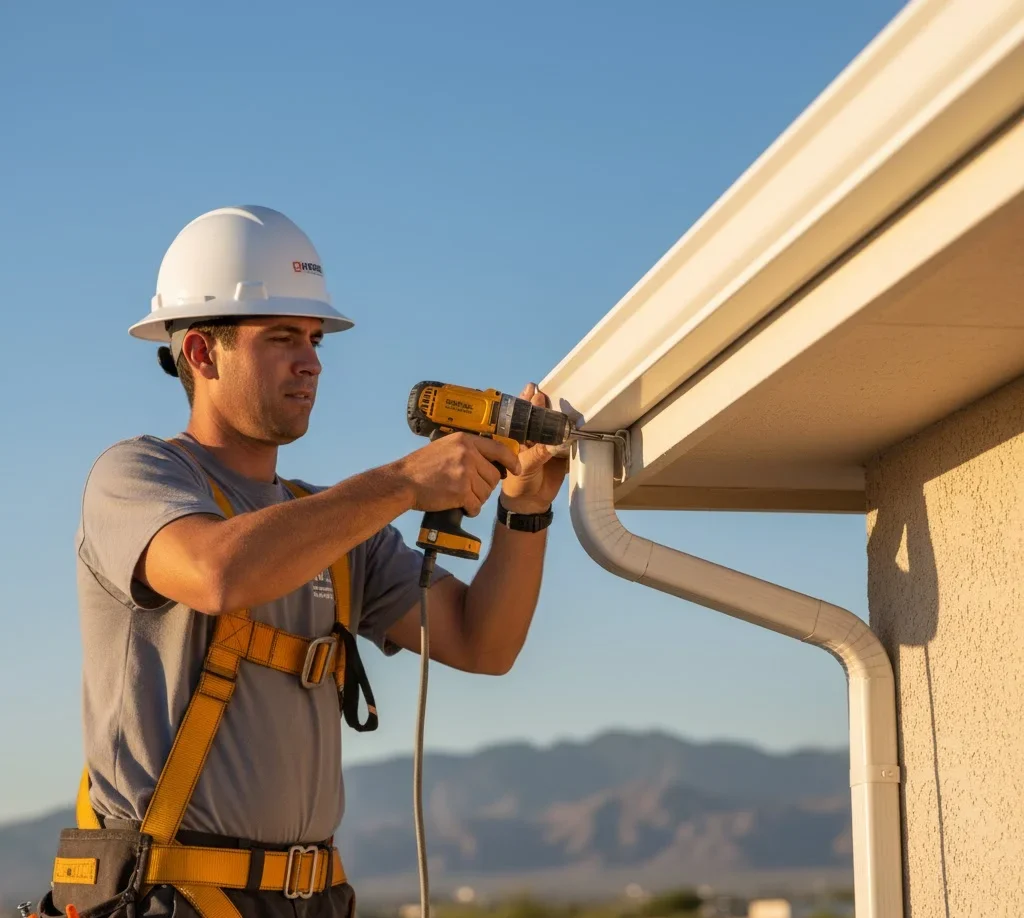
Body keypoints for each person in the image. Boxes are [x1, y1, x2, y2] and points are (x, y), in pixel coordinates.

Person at [43, 205, 566, 918]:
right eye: (283, 337)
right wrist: (404, 482)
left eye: (316, 339)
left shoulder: (337, 528)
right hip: (175, 900)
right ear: (201, 353)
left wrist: (526, 510)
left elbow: (485, 643)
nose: (312, 361)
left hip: (314, 900)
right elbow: (216, 574)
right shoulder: (134, 477)